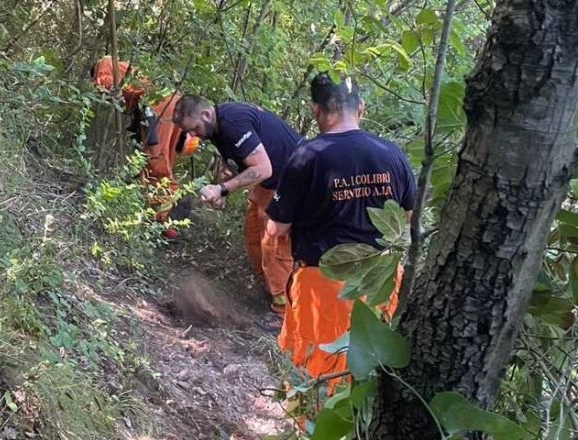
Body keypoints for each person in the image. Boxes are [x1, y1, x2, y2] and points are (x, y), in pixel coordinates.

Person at [265, 72, 416, 379]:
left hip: (324, 284)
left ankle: (311, 425)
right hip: (382, 283)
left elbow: (275, 230)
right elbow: (407, 220)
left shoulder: (307, 156)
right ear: (360, 106)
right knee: (373, 373)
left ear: (315, 109)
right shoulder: (393, 155)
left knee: (319, 372)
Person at [172, 96, 301, 315]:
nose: (194, 135)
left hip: (291, 180)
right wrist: (224, 186)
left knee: (274, 244)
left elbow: (262, 168)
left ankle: (284, 311)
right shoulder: (216, 126)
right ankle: (270, 291)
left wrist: (222, 189)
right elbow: (232, 159)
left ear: (205, 114)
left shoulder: (233, 123)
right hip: (269, 183)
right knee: (253, 234)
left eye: (194, 129)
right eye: (189, 132)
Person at [90, 56, 200, 229]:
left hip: (158, 106)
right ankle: (161, 214)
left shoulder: (104, 62)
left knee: (156, 162)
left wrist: (108, 91)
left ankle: (168, 221)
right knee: (157, 161)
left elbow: (107, 84)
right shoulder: (128, 68)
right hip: (172, 102)